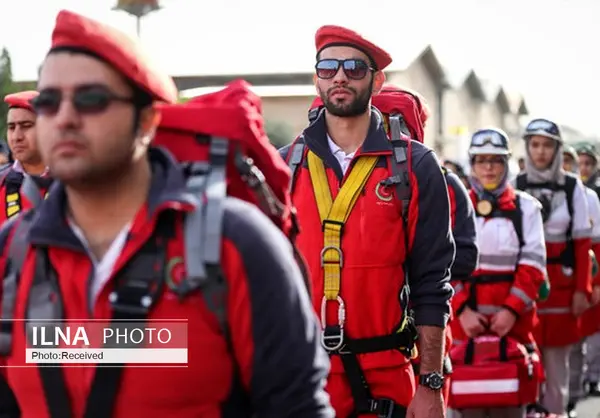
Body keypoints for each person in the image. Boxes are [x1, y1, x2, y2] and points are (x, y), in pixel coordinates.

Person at [0, 10, 334, 418]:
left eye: (91, 99)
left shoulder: (237, 243)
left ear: (146, 120)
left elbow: (297, 407)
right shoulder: (13, 250)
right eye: (49, 101)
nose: (65, 116)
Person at [280, 25, 455, 418]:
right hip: (303, 375)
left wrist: (430, 383)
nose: (340, 76)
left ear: (377, 81)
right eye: (328, 68)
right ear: (316, 80)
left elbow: (432, 283)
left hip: (387, 376)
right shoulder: (283, 165)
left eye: (354, 67)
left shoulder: (415, 165)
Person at [370, 84, 479, 406]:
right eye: (383, 119)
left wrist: (403, 264)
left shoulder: (442, 181)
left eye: (399, 121)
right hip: (369, 337)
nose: (392, 131)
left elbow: (465, 257)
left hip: (426, 330)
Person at [450, 128, 546, 418]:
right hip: (463, 329)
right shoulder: (451, 205)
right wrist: (462, 310)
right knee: (465, 405)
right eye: (481, 160)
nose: (489, 167)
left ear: (506, 164)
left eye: (496, 160)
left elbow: (533, 265)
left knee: (511, 406)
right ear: (472, 164)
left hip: (513, 329)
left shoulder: (526, 208)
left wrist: (510, 312)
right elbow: (441, 263)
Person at [514, 118, 592, 417]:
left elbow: (583, 245)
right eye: (535, 145)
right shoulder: (516, 185)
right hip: (526, 292)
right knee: (526, 366)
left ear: (558, 149)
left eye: (547, 145)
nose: (541, 152)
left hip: (562, 291)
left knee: (558, 370)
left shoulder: (574, 188)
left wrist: (582, 290)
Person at [562, 144, 600, 416]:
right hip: (552, 280)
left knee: (583, 338)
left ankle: (576, 393)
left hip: (582, 277)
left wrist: (593, 283)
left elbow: (593, 245)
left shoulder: (589, 197)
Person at [1, 90, 51, 224]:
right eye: (11, 127)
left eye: (26, 126)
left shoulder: (74, 183)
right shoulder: (2, 182)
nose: (17, 137)